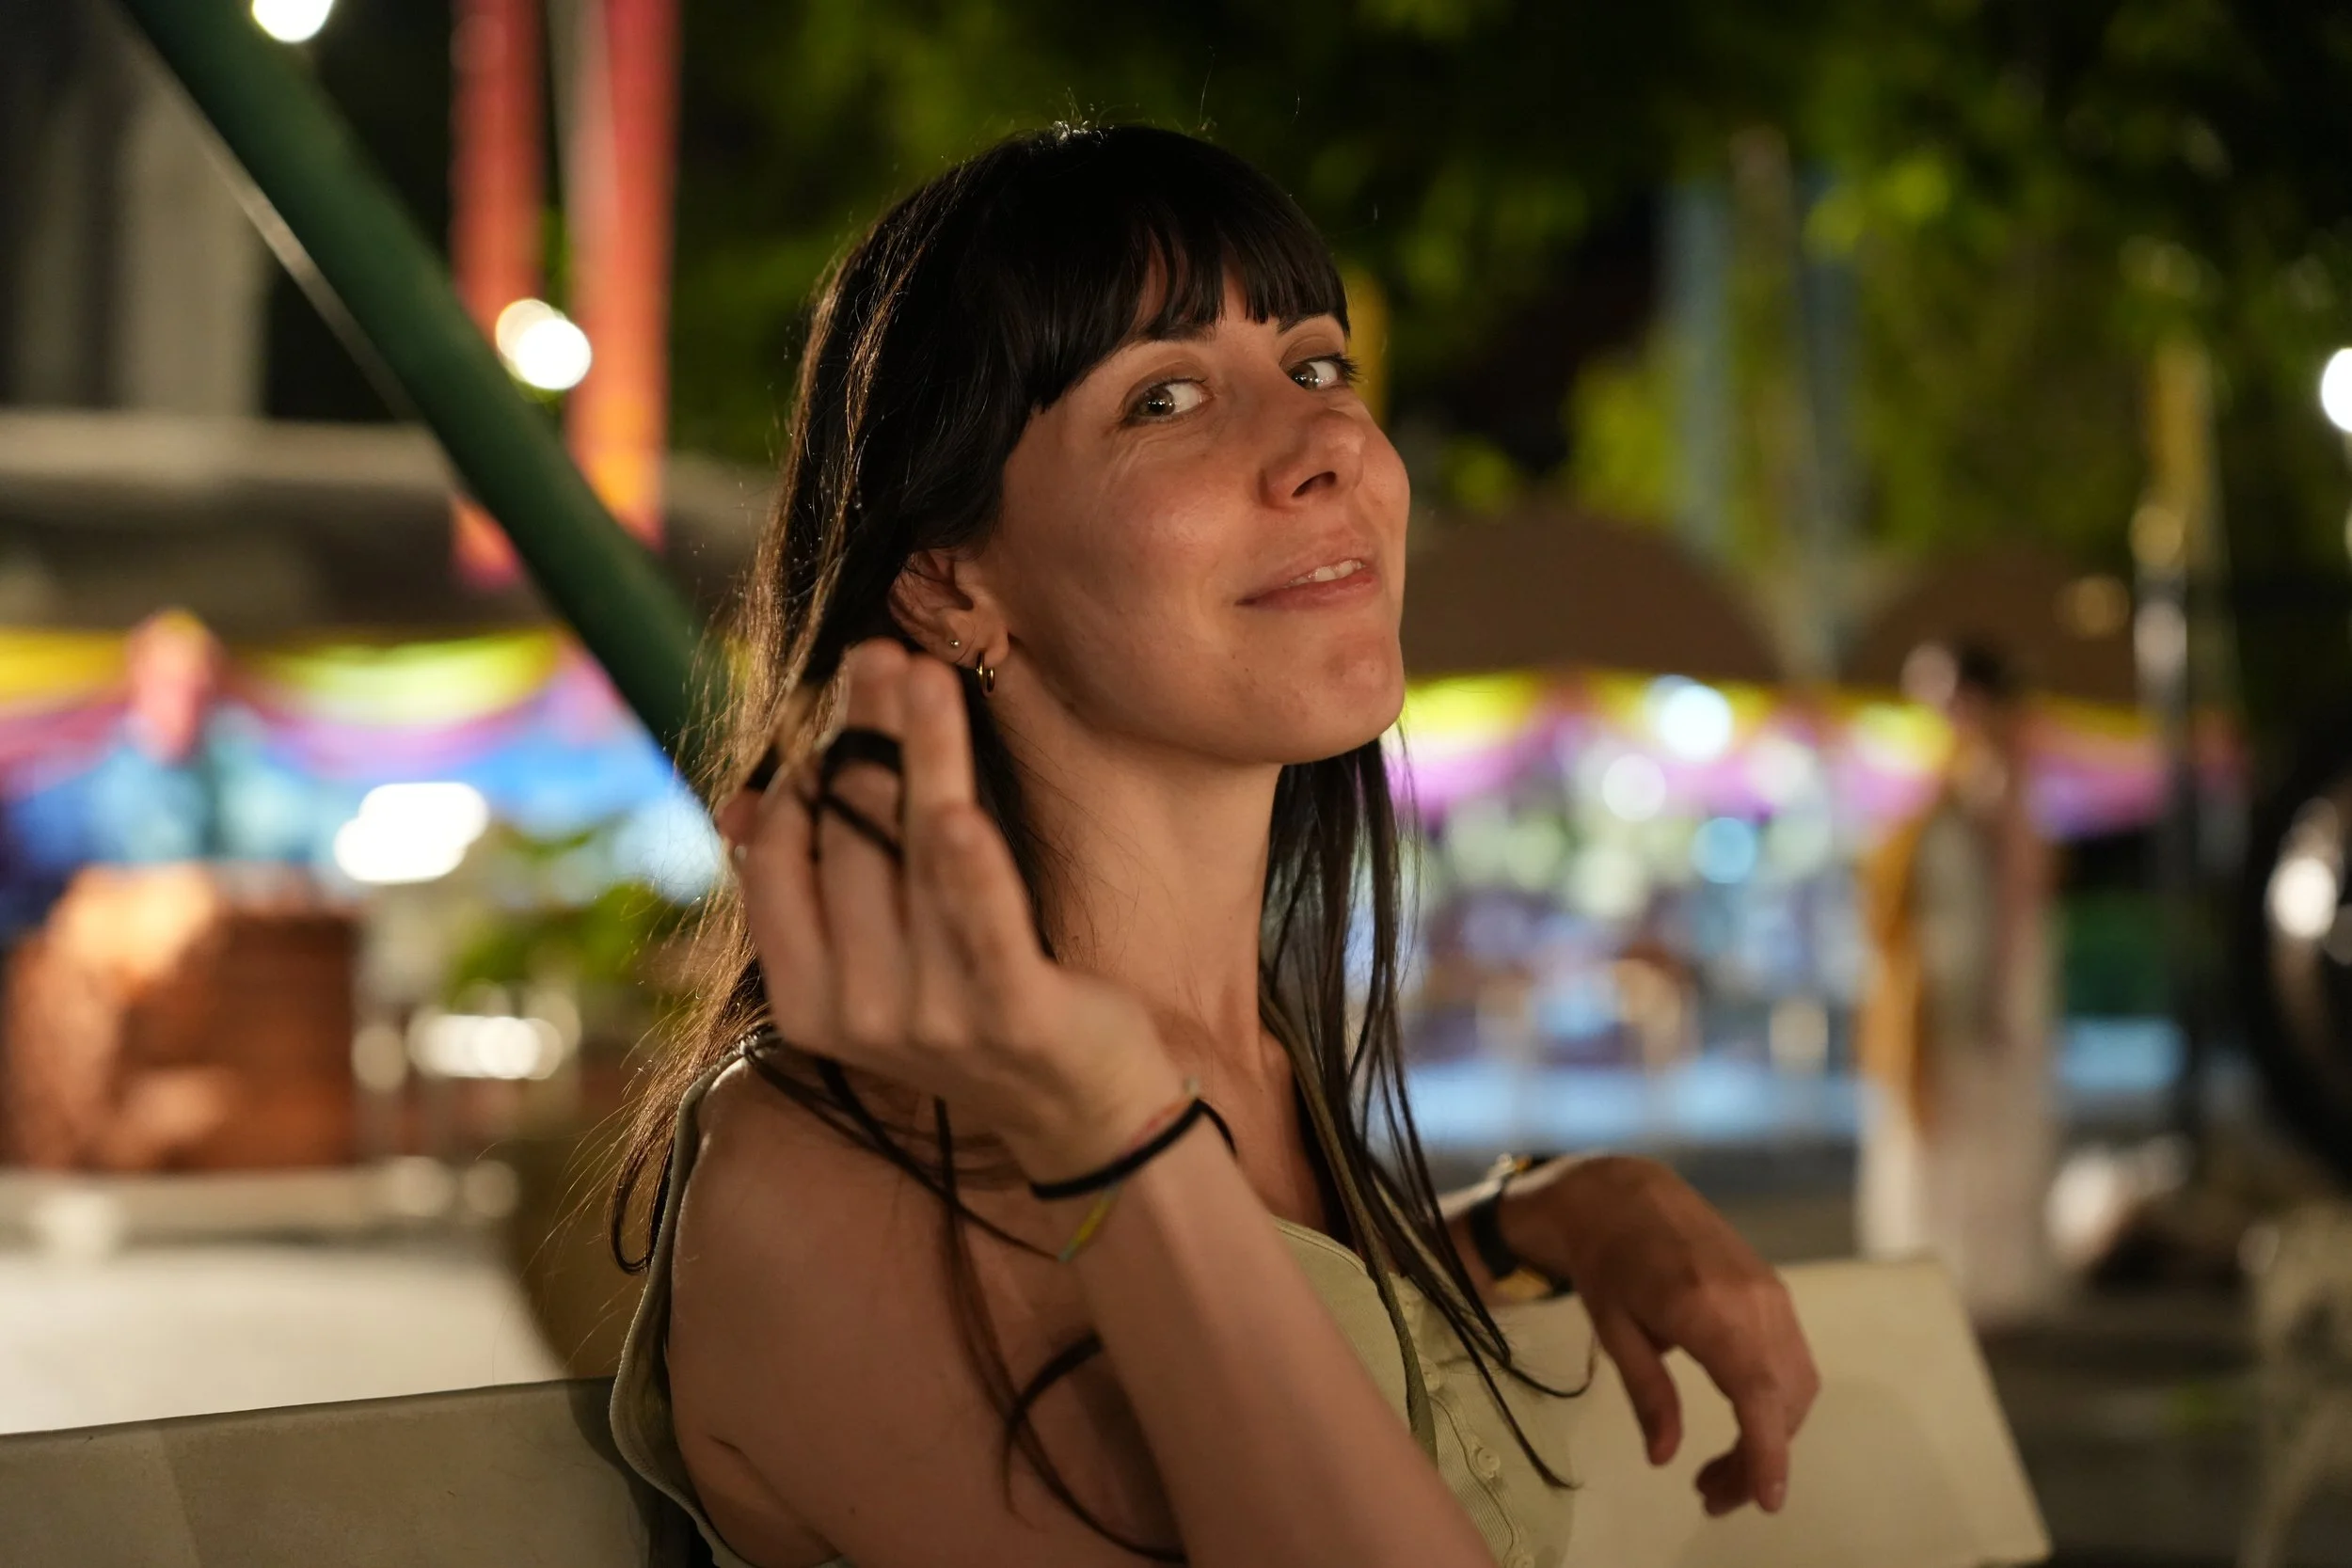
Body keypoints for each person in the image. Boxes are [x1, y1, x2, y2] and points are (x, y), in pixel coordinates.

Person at [607, 124, 1817, 1568]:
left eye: (1318, 365)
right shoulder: (837, 1165)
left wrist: (1534, 1215)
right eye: (1165, 396)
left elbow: (1282, 1348)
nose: (1330, 443)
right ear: (949, 581)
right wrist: (1114, 1128)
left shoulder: (1251, 1065)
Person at [1857, 641, 2058, 1326]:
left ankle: (1982, 1278)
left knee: (1979, 1131)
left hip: (1979, 979)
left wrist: (2001, 992)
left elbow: (2018, 894)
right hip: (1942, 979)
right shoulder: (1953, 774)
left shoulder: (2001, 775)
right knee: (1946, 1129)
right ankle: (1945, 1271)